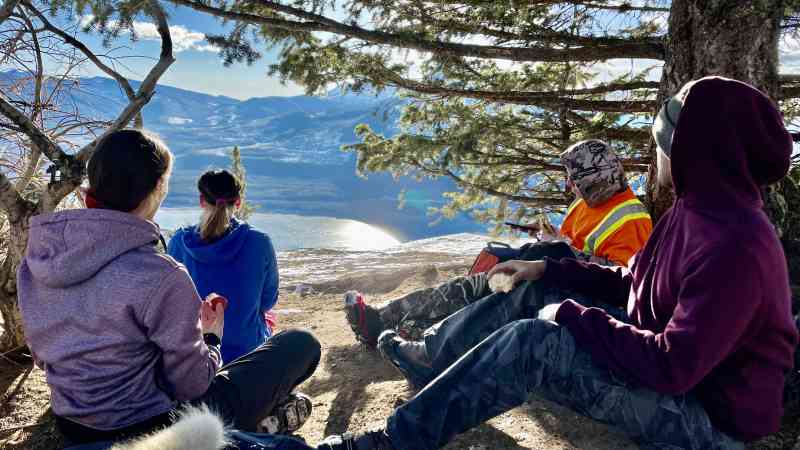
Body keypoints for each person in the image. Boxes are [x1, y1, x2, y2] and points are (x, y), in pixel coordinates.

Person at [317, 77, 798, 449]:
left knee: (534, 343)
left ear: (697, 148)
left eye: (664, 138)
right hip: (675, 372)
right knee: (531, 288)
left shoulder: (736, 245)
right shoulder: (695, 211)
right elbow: (634, 282)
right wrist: (550, 271)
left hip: (706, 420)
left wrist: (569, 315)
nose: (657, 151)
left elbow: (673, 368)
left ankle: (397, 441)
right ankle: (431, 361)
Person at [16, 129, 320, 447]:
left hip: (75, 426)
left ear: (91, 188)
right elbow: (191, 384)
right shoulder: (159, 273)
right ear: (159, 187)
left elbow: (43, 353)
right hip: (158, 427)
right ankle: (258, 426)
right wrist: (211, 337)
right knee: (301, 345)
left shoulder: (38, 261)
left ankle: (254, 426)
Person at [344, 139, 652, 347]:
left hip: (566, 294)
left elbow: (623, 282)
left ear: (596, 178)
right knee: (479, 282)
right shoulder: (587, 201)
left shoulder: (631, 219)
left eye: (575, 177)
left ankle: (414, 336)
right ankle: (383, 319)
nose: (568, 184)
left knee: (490, 296)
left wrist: (555, 254)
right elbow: (575, 243)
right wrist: (552, 240)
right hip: (549, 273)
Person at [168, 169, 279, 363]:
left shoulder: (179, 242)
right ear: (238, 202)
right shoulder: (259, 242)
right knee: (268, 318)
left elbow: (171, 303)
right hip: (247, 354)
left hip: (196, 354)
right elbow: (267, 301)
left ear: (202, 200)